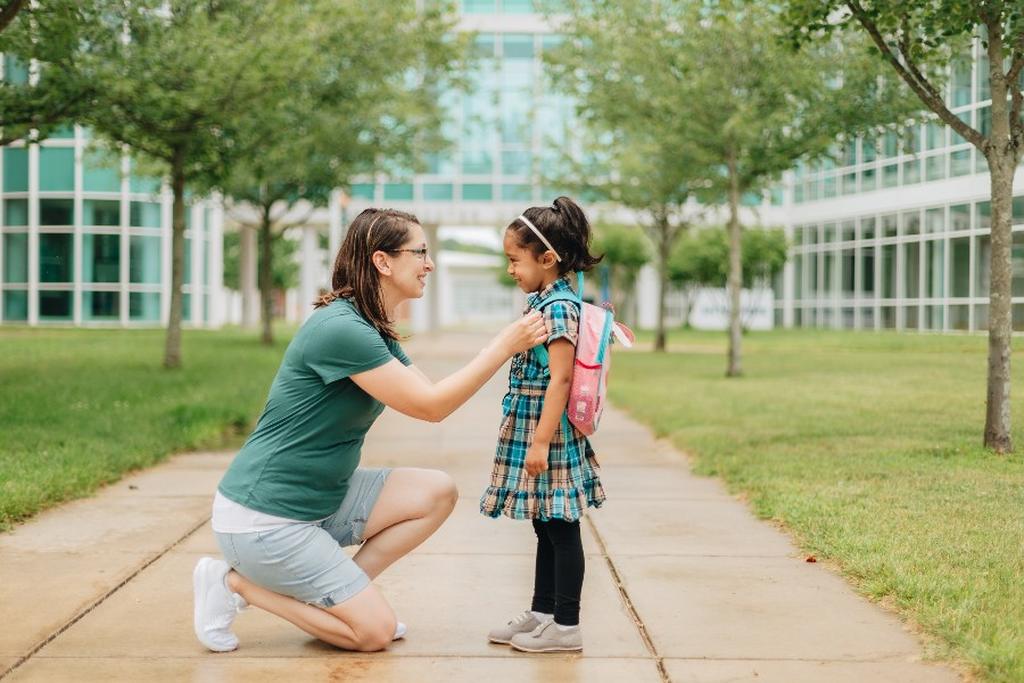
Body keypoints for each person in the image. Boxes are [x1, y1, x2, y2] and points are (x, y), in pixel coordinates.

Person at [193, 208, 547, 653]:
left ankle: (339, 601)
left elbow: (429, 392)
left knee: (436, 492)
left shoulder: (371, 327)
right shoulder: (342, 329)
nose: (429, 264)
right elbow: (431, 408)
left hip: (316, 501)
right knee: (373, 634)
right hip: (264, 521)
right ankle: (234, 583)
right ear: (382, 261)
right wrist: (503, 345)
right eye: (420, 252)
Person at [480, 196, 606, 653]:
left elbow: (562, 379)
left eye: (515, 260)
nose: (511, 269)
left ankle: (566, 626)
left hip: (547, 430)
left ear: (547, 259)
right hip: (537, 425)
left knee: (561, 525)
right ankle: (543, 612)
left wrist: (540, 442)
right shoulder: (544, 300)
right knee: (543, 522)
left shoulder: (558, 308)